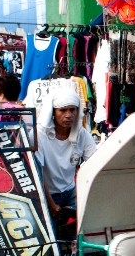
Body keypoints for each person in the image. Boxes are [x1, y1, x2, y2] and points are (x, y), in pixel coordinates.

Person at [34, 88, 96, 216]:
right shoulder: (39, 134)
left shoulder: (82, 134)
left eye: (72, 110)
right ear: (53, 112)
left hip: (70, 190)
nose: (68, 115)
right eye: (63, 110)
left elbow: (95, 163)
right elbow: (37, 172)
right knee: (51, 233)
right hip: (47, 193)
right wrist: (51, 204)